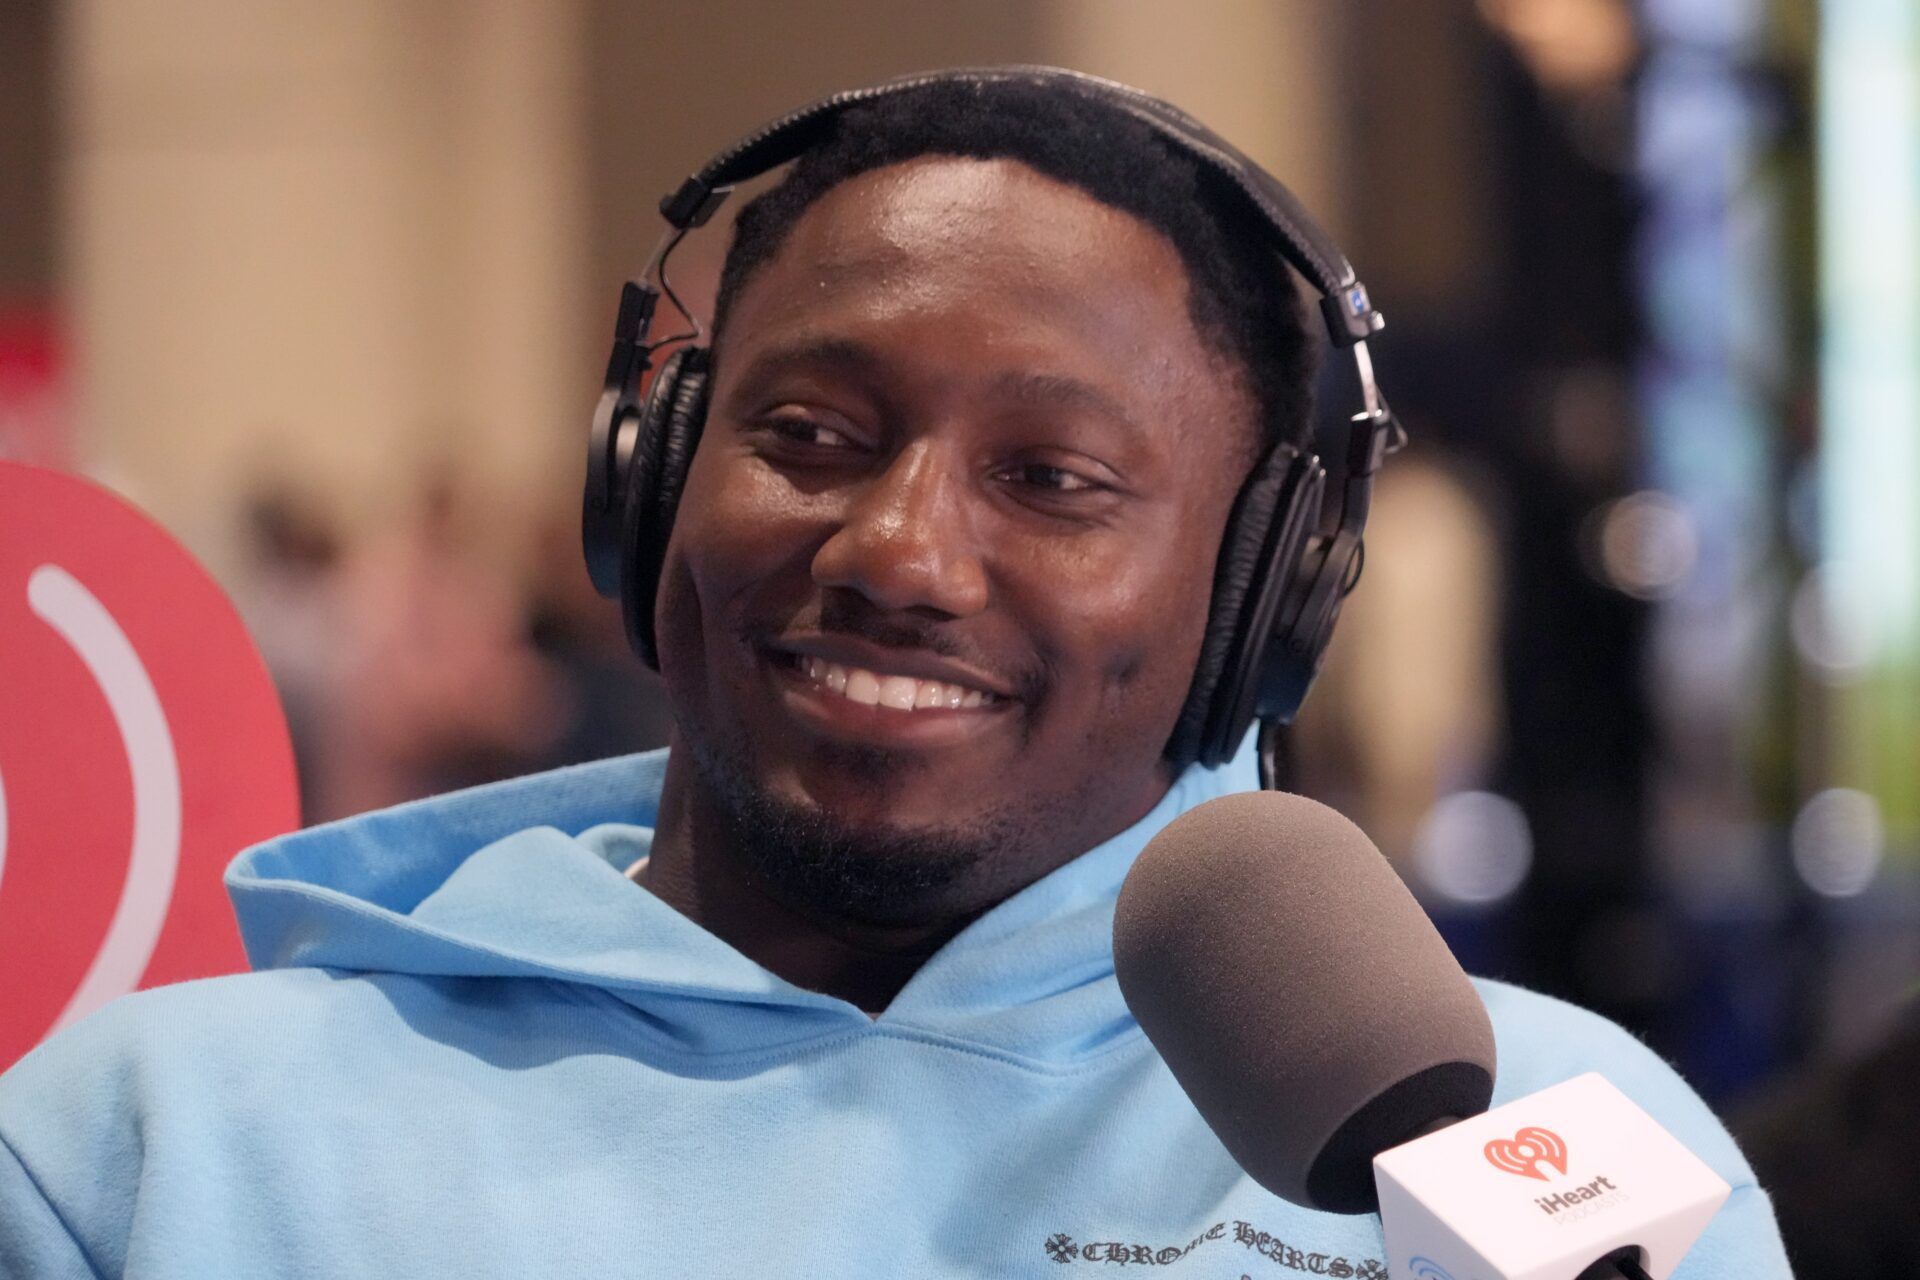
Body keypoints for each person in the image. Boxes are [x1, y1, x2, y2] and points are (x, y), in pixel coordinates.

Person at [0, 70, 1788, 1277]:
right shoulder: (152, 1146)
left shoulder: (1548, 1146)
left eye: (1054, 479)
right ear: (652, 479)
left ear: (1263, 597)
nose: (900, 553)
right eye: (809, 432)